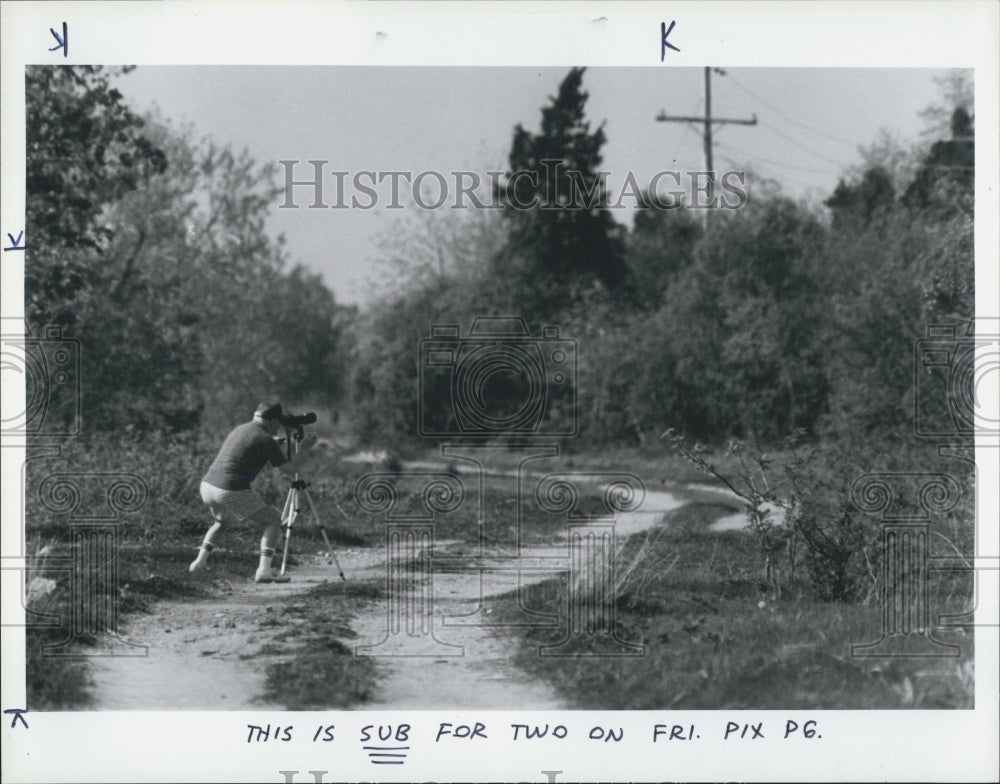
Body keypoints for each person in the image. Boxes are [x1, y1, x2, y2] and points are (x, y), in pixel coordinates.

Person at [190, 401, 317, 583]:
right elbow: (291, 469)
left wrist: (275, 444)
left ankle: (198, 563)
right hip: (229, 489)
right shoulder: (265, 439)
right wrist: (303, 448)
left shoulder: (242, 429)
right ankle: (264, 571)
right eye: (279, 424)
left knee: (222, 522)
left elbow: (251, 445)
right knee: (273, 521)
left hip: (208, 486)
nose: (280, 427)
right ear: (272, 421)